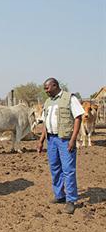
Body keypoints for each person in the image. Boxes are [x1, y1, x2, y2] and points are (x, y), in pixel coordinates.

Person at [37, 78, 84, 214]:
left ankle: (71, 200)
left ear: (55, 85)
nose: (45, 91)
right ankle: (60, 195)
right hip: (51, 139)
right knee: (55, 168)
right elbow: (46, 123)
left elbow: (78, 118)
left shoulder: (69, 98)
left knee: (68, 169)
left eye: (47, 88)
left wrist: (73, 139)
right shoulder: (48, 102)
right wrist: (41, 140)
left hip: (65, 139)